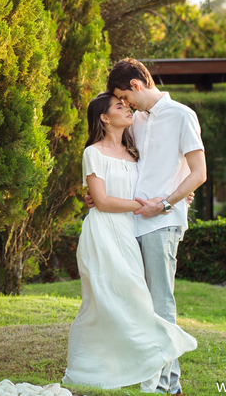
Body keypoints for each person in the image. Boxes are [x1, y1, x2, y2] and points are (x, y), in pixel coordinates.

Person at [62, 92, 197, 390]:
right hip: (102, 235)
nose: (127, 108)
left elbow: (163, 173)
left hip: (128, 233)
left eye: (126, 104)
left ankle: (152, 368)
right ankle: (91, 367)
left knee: (137, 301)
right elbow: (102, 200)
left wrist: (182, 192)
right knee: (102, 303)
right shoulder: (92, 153)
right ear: (104, 118)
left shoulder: (133, 153)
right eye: (119, 106)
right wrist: (141, 205)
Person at [107, 57, 208, 395]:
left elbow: (198, 173)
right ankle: (164, 382)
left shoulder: (182, 115)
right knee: (142, 304)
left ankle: (166, 386)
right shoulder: (137, 122)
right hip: (131, 222)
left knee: (161, 304)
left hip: (162, 224)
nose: (124, 105)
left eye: (124, 98)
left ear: (136, 86)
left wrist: (167, 202)